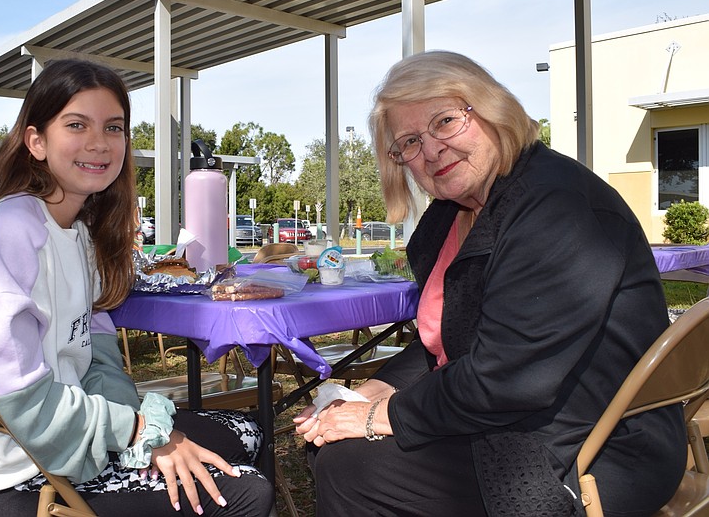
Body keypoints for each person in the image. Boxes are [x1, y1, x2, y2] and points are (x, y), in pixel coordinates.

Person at [294, 51, 687, 517]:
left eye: (445, 121)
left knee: (353, 466)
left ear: (492, 110)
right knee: (336, 446)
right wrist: (376, 391)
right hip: (524, 415)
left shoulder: (554, 206)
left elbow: (510, 376)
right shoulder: (447, 217)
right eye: (411, 142)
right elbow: (444, 337)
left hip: (597, 443)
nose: (432, 150)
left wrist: (383, 418)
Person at [0, 59, 273, 516]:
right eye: (76, 125)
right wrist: (138, 432)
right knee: (246, 492)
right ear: (36, 141)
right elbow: (17, 403)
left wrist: (143, 435)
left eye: (114, 128)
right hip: (22, 478)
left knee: (248, 433)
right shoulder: (7, 233)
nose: (99, 143)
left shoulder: (79, 234)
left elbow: (99, 360)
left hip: (76, 441)